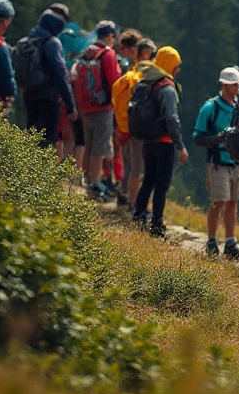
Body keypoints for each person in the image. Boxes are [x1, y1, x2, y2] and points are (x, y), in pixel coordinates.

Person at [132, 46, 188, 237]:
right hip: (163, 142)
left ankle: (138, 217)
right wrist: (180, 146)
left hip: (148, 140)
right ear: (171, 65)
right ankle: (156, 224)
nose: (178, 70)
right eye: (177, 65)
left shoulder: (147, 81)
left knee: (148, 180)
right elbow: (172, 119)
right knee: (162, 185)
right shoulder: (167, 87)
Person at [195, 66, 239, 260]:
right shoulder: (210, 108)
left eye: (238, 84)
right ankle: (211, 241)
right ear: (224, 85)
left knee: (233, 203)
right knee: (219, 202)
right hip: (218, 162)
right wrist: (220, 139)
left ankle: (230, 242)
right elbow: (198, 138)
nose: (237, 88)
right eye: (233, 84)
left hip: (237, 161)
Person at [74, 21, 122, 200]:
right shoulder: (108, 54)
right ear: (110, 36)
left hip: (86, 106)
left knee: (89, 144)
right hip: (103, 107)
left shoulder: (87, 51)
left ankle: (87, 180)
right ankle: (95, 185)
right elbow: (114, 81)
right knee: (100, 147)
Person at [17, 8, 77, 153]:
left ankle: (27, 171)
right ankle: (41, 174)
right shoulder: (52, 42)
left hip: (29, 94)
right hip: (49, 97)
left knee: (32, 138)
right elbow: (60, 74)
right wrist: (70, 104)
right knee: (47, 140)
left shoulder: (26, 40)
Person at [114, 38, 156, 212]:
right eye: (153, 54)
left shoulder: (131, 71)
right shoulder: (144, 74)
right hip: (141, 128)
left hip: (130, 126)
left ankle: (129, 200)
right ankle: (134, 205)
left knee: (133, 166)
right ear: (145, 54)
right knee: (139, 169)